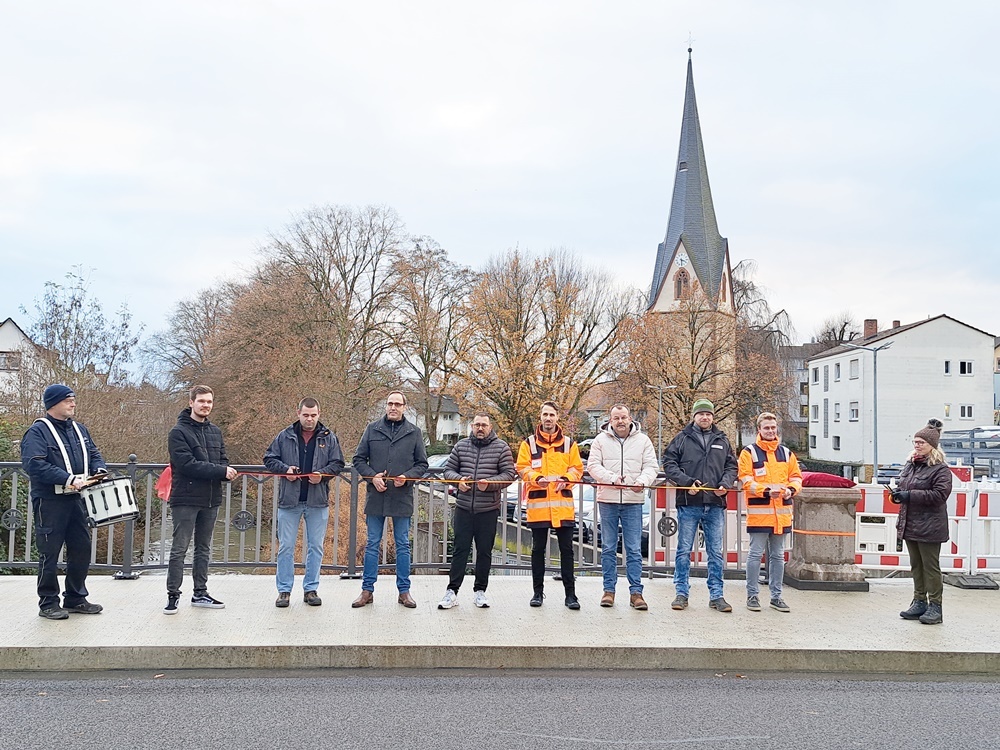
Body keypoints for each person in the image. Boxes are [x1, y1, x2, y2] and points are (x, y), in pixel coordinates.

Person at [21, 385, 108, 620]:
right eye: (68, 400)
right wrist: (68, 479)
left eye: (73, 399)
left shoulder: (80, 430)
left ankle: (75, 597)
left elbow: (94, 452)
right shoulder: (38, 432)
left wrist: (99, 469)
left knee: (81, 549)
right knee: (49, 553)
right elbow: (34, 464)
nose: (73, 403)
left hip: (77, 500)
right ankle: (48, 602)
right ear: (54, 403)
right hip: (50, 501)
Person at [263, 397, 345, 608]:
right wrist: (285, 470)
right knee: (286, 547)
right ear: (297, 413)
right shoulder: (285, 435)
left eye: (313, 415)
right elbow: (269, 459)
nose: (309, 419)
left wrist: (323, 475)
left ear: (319, 414)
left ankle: (311, 589)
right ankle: (284, 591)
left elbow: (338, 463)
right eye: (306, 415)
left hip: (317, 501)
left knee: (315, 547)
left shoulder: (329, 437)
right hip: (289, 501)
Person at [164, 385, 238, 614]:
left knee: (203, 548)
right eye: (201, 401)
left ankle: (200, 593)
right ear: (191, 402)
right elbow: (186, 465)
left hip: (211, 498)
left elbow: (222, 459)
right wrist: (220, 471)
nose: (206, 405)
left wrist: (225, 472)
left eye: (209, 401)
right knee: (179, 548)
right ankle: (173, 595)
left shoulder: (215, 431)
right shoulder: (178, 432)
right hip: (185, 498)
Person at [351, 391, 428, 609]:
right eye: (390, 403)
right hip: (376, 495)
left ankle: (404, 591)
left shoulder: (414, 432)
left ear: (405, 407)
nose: (393, 407)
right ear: (385, 406)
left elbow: (422, 464)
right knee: (372, 544)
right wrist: (372, 476)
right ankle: (367, 591)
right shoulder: (372, 429)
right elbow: (358, 459)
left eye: (397, 404)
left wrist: (407, 477)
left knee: (403, 544)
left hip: (402, 497)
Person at [662, 398, 738, 613]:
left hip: (715, 503)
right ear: (694, 416)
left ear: (713, 417)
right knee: (683, 550)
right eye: (701, 414)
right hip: (689, 502)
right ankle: (681, 593)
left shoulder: (722, 440)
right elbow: (669, 464)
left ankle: (716, 595)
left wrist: (725, 483)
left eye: (708, 414)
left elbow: (731, 466)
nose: (705, 417)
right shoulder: (681, 439)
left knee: (715, 552)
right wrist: (686, 483)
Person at [436, 412, 516, 610]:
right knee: (459, 550)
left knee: (484, 552)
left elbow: (508, 475)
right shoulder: (461, 446)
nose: (480, 428)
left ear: (490, 427)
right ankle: (452, 591)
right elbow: (448, 471)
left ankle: (480, 591)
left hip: (488, 509)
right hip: (463, 507)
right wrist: (458, 481)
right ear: (471, 426)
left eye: (484, 425)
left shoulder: (501, 447)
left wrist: (489, 484)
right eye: (477, 425)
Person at [587, 404, 658, 610]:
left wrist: (642, 482)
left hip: (633, 501)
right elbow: (592, 466)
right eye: (616, 418)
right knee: (608, 547)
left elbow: (651, 467)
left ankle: (636, 593)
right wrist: (612, 480)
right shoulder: (600, 440)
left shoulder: (643, 440)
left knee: (634, 549)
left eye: (623, 417)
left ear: (630, 419)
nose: (620, 421)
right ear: (610, 421)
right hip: (607, 499)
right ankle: (609, 591)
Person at [515, 401, 584, 609]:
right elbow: (521, 467)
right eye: (545, 414)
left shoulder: (569, 444)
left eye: (551, 415)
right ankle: (537, 593)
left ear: (557, 418)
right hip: (539, 506)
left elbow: (577, 468)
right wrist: (536, 477)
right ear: (540, 417)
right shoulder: (529, 443)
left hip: (562, 507)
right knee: (537, 550)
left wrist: (567, 477)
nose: (548, 418)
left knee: (567, 551)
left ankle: (570, 595)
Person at [738, 412, 802, 613]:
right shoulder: (749, 452)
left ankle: (776, 596)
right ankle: (752, 595)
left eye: (773, 428)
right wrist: (766, 491)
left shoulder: (786, 453)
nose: (770, 431)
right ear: (759, 430)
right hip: (760, 512)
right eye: (766, 428)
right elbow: (745, 479)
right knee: (755, 554)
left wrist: (790, 490)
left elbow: (797, 477)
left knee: (777, 556)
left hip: (781, 513)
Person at [893, 419, 953, 625]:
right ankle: (919, 601)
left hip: (930, 525)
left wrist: (909, 495)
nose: (917, 445)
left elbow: (939, 495)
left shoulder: (940, 469)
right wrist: (900, 495)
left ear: (932, 446)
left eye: (921, 442)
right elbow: (906, 487)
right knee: (916, 565)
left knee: (930, 566)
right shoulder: (911, 465)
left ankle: (935, 606)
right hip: (911, 522)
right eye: (915, 442)